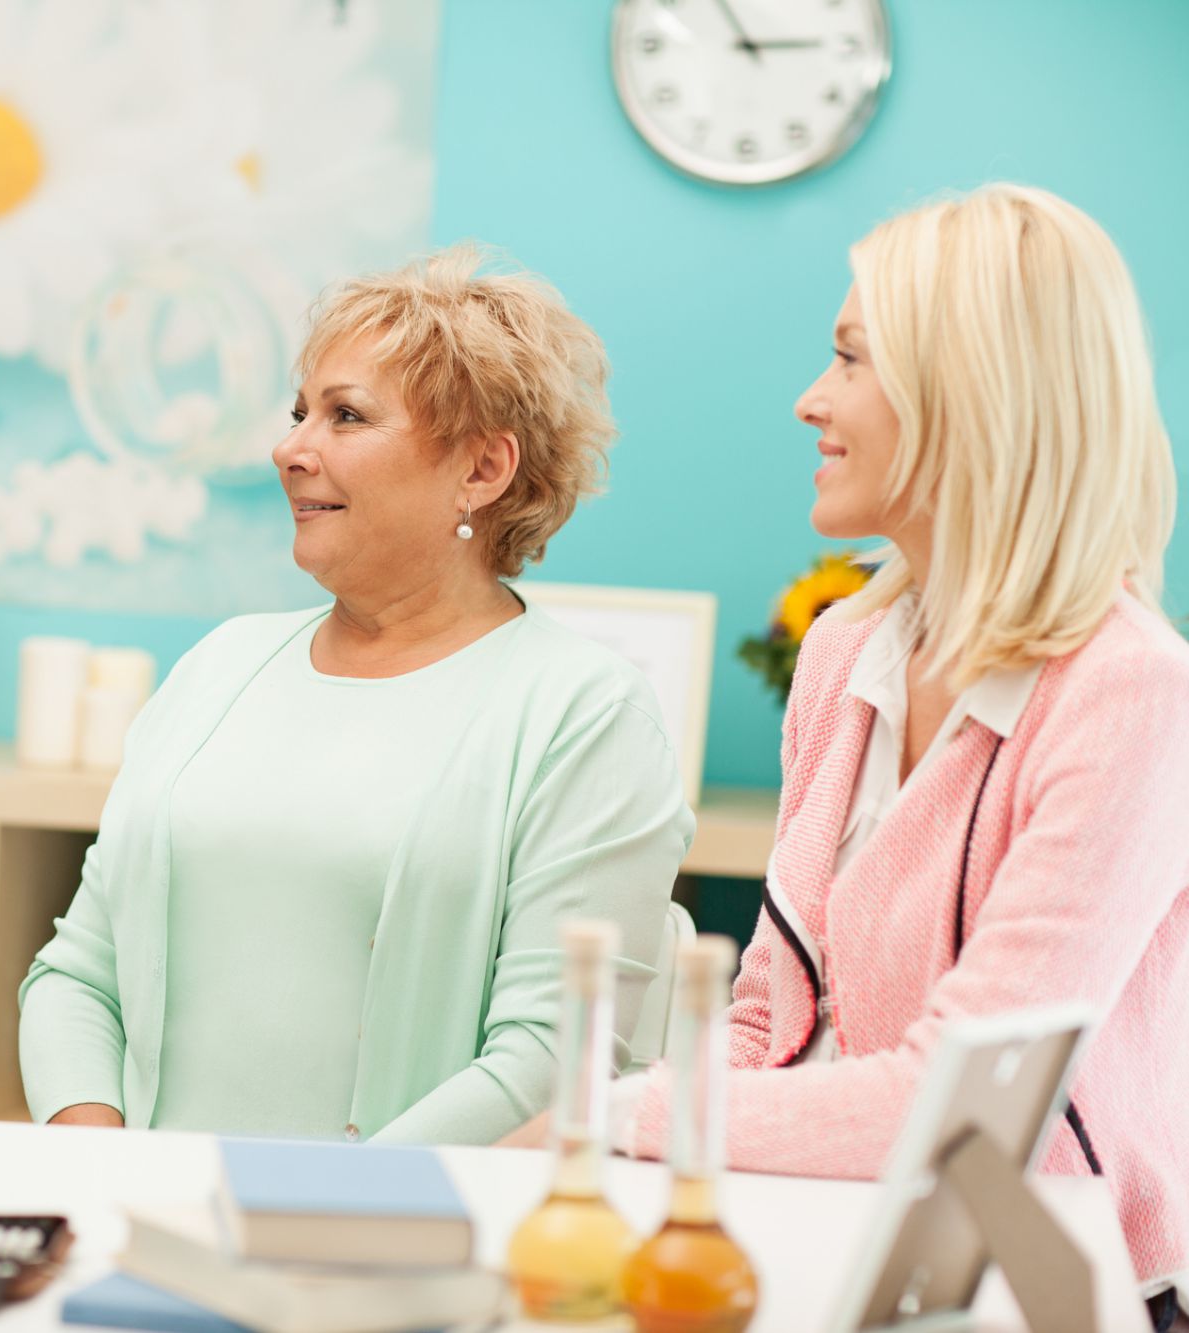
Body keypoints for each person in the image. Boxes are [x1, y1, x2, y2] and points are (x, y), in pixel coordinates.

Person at [508, 184, 1187, 1329]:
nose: (809, 400)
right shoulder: (847, 652)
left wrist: (614, 1117)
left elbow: (966, 1103)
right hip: (840, 1243)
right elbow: (773, 1018)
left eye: (851, 360)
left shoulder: (1134, 694)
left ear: (973, 392)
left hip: (1052, 1286)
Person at [17, 245, 694, 1144]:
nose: (290, 447)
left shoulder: (586, 713)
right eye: (301, 412)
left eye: (345, 415)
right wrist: (99, 1159)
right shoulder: (221, 666)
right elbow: (78, 972)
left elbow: (549, 1059)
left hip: (393, 1243)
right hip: (146, 1225)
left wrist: (312, 1214)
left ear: (482, 471)